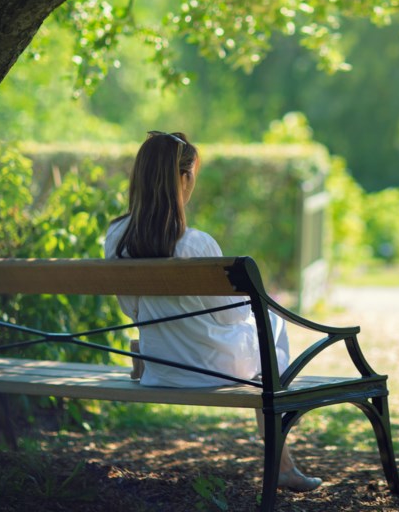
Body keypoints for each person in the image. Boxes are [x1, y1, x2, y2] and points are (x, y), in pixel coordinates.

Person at [105, 130, 321, 492]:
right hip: (211, 369)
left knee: (264, 335)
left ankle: (284, 459)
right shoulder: (196, 243)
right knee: (272, 324)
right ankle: (282, 453)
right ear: (184, 178)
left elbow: (131, 308)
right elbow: (232, 316)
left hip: (163, 368)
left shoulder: (116, 237)